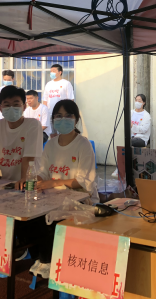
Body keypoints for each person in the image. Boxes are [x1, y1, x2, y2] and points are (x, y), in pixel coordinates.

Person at [28, 99, 98, 280]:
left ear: (76, 120)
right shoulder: (51, 145)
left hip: (80, 200)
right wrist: (36, 180)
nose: (63, 119)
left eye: (68, 115)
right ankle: (40, 257)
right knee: (28, 216)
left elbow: (84, 182)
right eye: (58, 116)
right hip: (53, 197)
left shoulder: (83, 145)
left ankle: (48, 260)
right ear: (53, 120)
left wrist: (52, 183)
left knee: (49, 219)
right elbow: (43, 172)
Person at [0, 85, 43, 186]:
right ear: (0, 108)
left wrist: (24, 181)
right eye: (6, 105)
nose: (11, 108)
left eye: (16, 104)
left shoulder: (33, 125)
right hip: (7, 184)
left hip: (30, 184)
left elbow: (28, 159)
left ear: (24, 107)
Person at [42, 63, 74, 134]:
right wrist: (44, 112)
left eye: (54, 71)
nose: (51, 73)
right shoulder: (48, 84)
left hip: (61, 114)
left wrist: (67, 113)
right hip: (50, 113)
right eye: (51, 71)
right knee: (52, 134)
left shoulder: (66, 83)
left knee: (62, 133)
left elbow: (70, 99)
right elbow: (45, 99)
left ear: (60, 72)